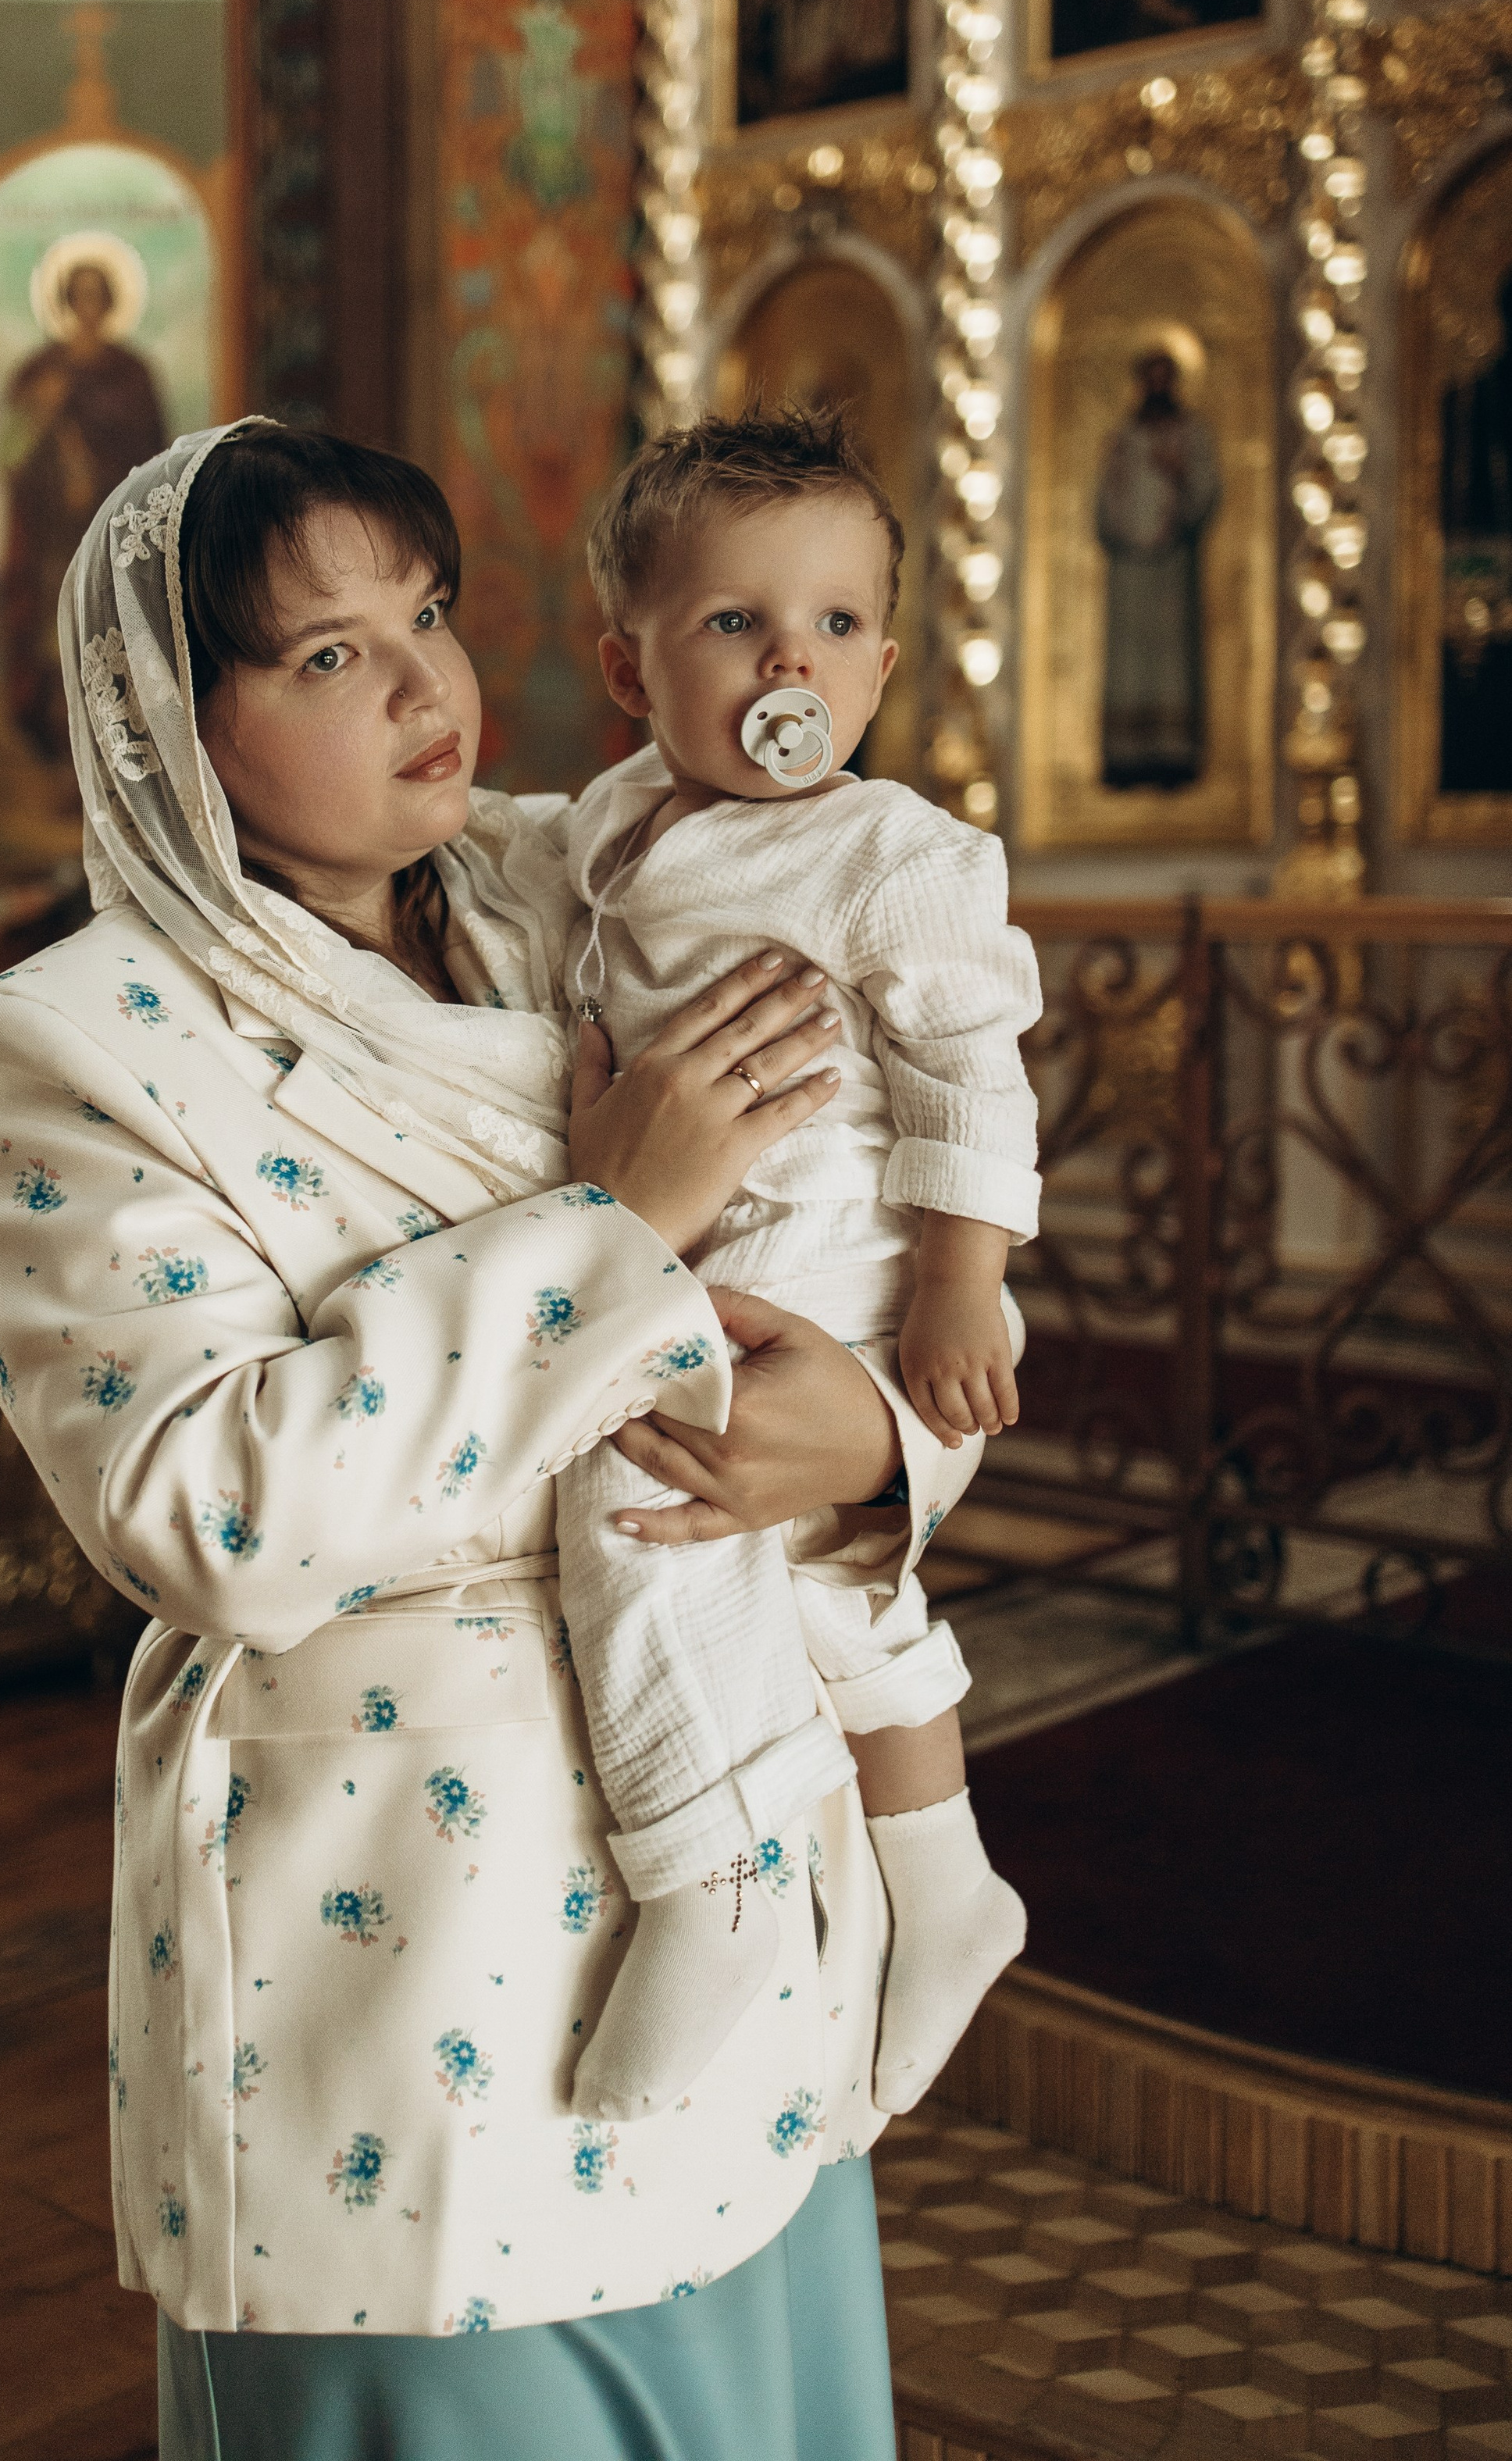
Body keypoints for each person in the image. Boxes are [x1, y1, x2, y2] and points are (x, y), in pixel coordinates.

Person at [0, 417, 947, 2460]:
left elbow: (853, 1226)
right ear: (172, 723)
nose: (426, 688)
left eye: (434, 615)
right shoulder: (65, 1050)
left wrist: (872, 1456)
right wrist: (609, 1228)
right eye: (325, 653)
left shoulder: (592, 891)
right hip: (407, 1944)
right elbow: (205, 1509)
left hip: (730, 1826)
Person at [552, 408, 1036, 2129]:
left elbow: (971, 1068)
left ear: (884, 662)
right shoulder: (608, 822)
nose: (790, 664)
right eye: (732, 624)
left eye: (834, 627)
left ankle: (708, 1882)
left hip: (840, 1246)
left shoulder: (890, 854)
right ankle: (945, 1875)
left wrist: (960, 1283)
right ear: (631, 667)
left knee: (639, 1517)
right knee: (825, 1590)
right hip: (703, 1231)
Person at [0, 253, 169, 768]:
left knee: (111, 641)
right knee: (57, 647)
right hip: (52, 539)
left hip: (114, 536)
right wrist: (38, 411)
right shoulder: (39, 372)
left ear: (111, 303)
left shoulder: (132, 375)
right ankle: (62, 761)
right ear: (68, 301)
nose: (90, 306)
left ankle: (114, 762)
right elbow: (8, 456)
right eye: (81, 295)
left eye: (99, 296)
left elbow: (156, 462)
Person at [1096, 348, 1221, 791]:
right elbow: (1107, 496)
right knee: (1131, 658)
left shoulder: (1191, 434)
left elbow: (1206, 491)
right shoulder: (1124, 436)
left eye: (1165, 378)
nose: (1157, 386)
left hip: (1172, 567)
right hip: (1130, 567)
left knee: (1170, 659)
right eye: (1150, 378)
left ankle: (1173, 757)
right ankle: (1126, 759)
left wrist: (1181, 478)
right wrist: (1122, 521)